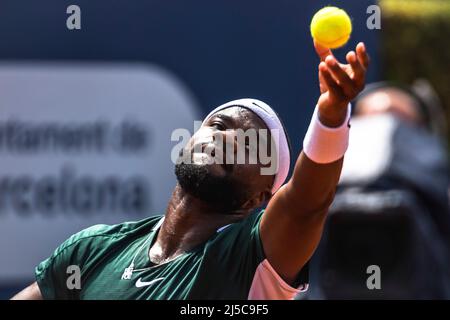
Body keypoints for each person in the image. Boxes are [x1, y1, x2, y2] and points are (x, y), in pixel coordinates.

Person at [11, 41, 369, 300]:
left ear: (260, 198)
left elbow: (306, 205)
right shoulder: (91, 251)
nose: (225, 138)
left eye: (249, 145)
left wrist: (332, 116)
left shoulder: (249, 259)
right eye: (217, 124)